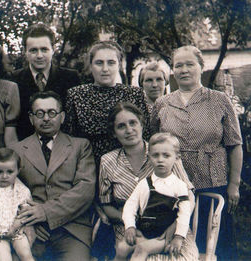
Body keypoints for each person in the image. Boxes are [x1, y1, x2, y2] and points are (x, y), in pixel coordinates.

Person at [151, 45, 243, 260]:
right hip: (174, 186)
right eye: (178, 65)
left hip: (213, 182)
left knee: (216, 245)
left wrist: (234, 184)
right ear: (172, 70)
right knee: (179, 247)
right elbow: (153, 143)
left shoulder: (219, 100)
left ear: (201, 67)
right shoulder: (162, 103)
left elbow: (235, 144)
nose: (183, 70)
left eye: (189, 64)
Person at [99, 102, 198, 261]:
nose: (129, 130)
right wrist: (131, 224)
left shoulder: (164, 152)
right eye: (121, 126)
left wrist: (174, 229)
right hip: (129, 228)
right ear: (114, 132)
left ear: (142, 124)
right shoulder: (108, 161)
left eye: (133, 123)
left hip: (170, 226)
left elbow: (189, 198)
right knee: (128, 251)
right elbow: (106, 205)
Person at [11, 91, 96, 260]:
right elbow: (10, 191)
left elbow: (85, 190)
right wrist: (30, 222)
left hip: (71, 230)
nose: (46, 118)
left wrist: (46, 213)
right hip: (32, 230)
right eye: (40, 114)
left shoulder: (80, 146)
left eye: (52, 113)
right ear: (31, 118)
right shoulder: (17, 150)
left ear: (62, 116)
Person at [64, 41, 149, 166]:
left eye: (111, 63)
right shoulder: (76, 95)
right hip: (88, 167)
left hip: (128, 167)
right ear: (90, 66)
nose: (105, 69)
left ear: (119, 65)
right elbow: (69, 139)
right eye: (99, 63)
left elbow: (145, 134)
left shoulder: (135, 94)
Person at [120, 133, 191, 261]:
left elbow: (184, 214)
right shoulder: (144, 184)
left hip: (163, 237)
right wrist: (130, 226)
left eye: (166, 155)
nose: (160, 160)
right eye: (155, 155)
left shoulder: (179, 186)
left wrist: (179, 237)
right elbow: (130, 206)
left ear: (176, 157)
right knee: (121, 248)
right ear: (149, 157)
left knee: (142, 250)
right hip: (144, 232)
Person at [12, 23, 81, 140]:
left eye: (44, 49)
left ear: (53, 49)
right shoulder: (13, 80)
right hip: (26, 148)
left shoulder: (70, 78)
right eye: (33, 50)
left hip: (63, 147)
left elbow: (76, 121)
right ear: (25, 51)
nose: (39, 55)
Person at [0, 148, 35, 261]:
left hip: (17, 231)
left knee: (26, 256)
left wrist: (13, 228)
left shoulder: (22, 190)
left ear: (18, 170)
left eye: (10, 172)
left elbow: (24, 214)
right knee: (3, 259)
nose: (4, 176)